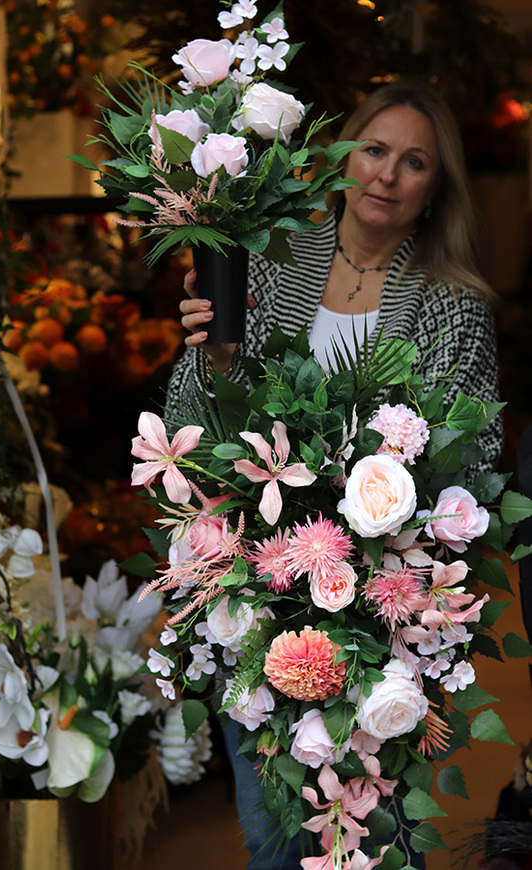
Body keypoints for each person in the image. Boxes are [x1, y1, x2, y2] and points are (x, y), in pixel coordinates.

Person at [164, 79, 503, 868]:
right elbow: (193, 425)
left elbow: (471, 468)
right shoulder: (269, 263)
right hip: (252, 595)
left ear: (434, 190)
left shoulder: (454, 304)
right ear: (341, 159)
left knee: (383, 840)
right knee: (274, 836)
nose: (387, 174)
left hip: (385, 615)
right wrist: (212, 357)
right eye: (374, 150)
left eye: (414, 162)